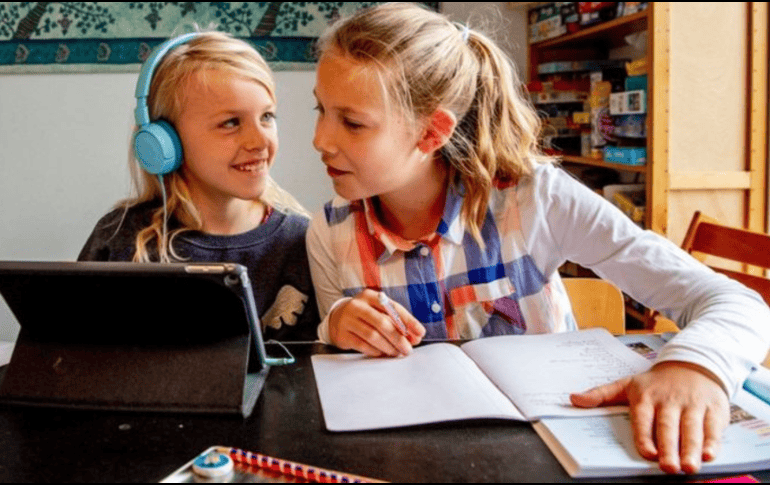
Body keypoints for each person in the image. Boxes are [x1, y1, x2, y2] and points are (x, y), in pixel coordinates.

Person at [305, 2, 770, 475]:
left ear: (431, 132)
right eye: (320, 109)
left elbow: (736, 302)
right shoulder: (328, 231)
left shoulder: (536, 199)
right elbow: (340, 348)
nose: (320, 139)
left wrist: (694, 367)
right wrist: (339, 323)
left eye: (353, 122)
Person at [79, 31, 319, 342]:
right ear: (167, 142)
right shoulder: (119, 238)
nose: (260, 141)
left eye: (267, 116)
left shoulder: (304, 241)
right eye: (231, 122)